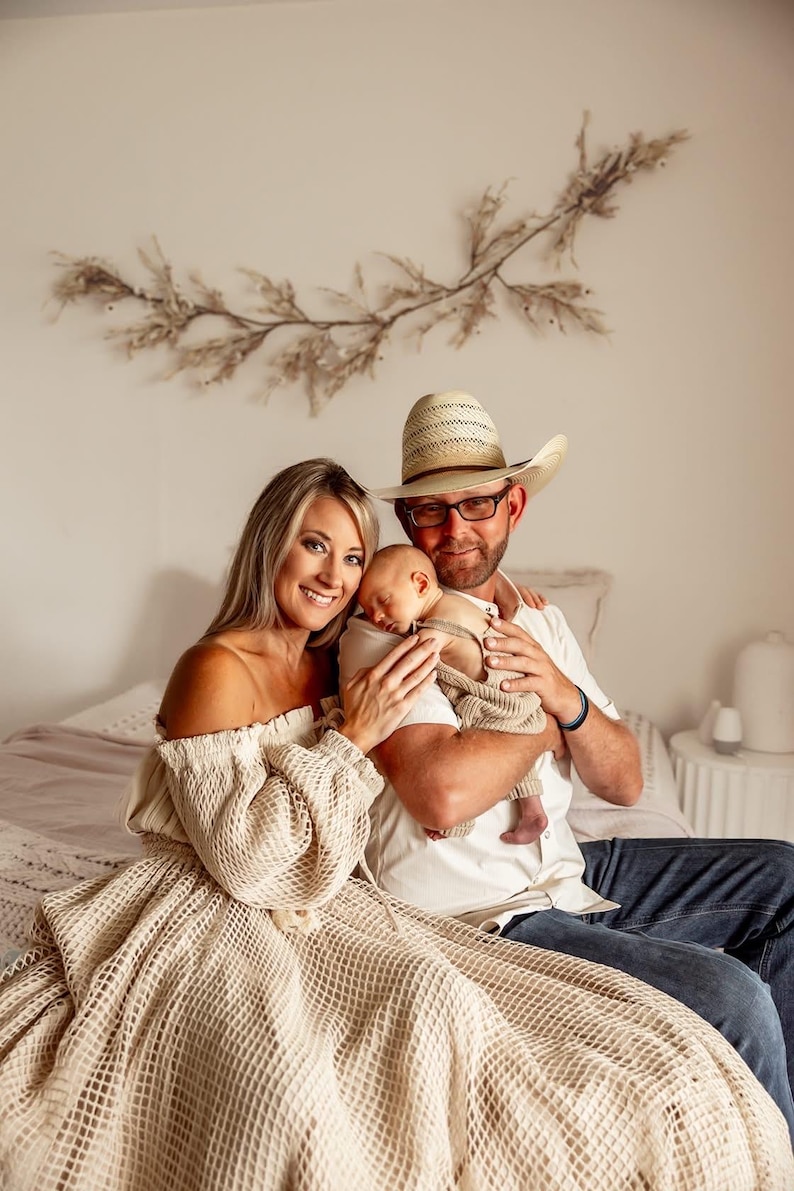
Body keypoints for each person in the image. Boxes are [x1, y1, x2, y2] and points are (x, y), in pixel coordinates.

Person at [0, 457, 791, 1190]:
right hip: (253, 899)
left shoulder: (363, 646)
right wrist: (360, 737)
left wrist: (539, 668)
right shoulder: (254, 661)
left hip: (411, 880)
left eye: (350, 558)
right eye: (315, 546)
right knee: (366, 1039)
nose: (337, 579)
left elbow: (606, 766)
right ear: (272, 544)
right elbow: (259, 860)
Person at [338, 390, 794, 1144]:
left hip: (565, 873)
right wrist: (551, 715)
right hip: (478, 919)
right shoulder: (386, 629)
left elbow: (624, 781)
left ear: (514, 505)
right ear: (406, 525)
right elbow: (441, 793)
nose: (454, 529)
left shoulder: (540, 618)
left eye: (477, 503)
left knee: (783, 876)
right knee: (733, 996)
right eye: (430, 510)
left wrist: (563, 692)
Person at [357, 543, 548, 844]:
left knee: (475, 745)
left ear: (420, 584)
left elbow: (412, 663)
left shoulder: (434, 629)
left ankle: (457, 823)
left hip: (497, 697)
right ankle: (533, 809)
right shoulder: (458, 604)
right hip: (517, 691)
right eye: (368, 612)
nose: (378, 617)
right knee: (515, 755)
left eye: (383, 601)